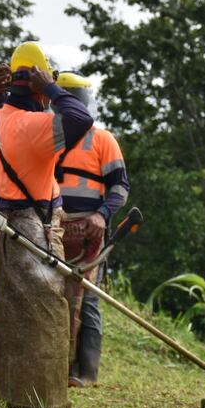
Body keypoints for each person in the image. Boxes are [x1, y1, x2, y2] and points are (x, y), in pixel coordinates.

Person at [0, 41, 93, 408]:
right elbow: (81, 119)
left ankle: (11, 400)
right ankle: (44, 404)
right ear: (38, 88)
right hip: (35, 227)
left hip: (9, 226)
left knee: (15, 315)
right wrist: (53, 88)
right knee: (47, 312)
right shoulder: (34, 126)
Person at [52, 71, 130, 387]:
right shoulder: (47, 138)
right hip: (53, 229)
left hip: (90, 233)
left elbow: (120, 188)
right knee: (53, 296)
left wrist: (102, 214)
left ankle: (85, 372)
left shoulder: (103, 140)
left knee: (88, 298)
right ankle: (56, 366)